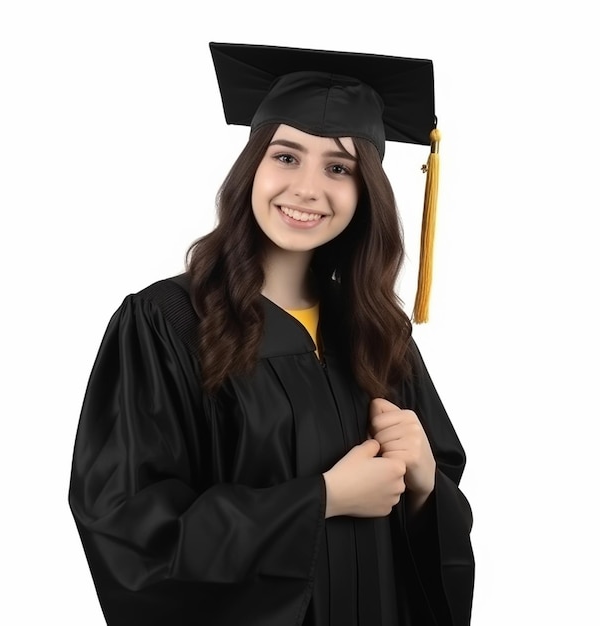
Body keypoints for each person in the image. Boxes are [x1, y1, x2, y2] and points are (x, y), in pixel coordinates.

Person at [68, 42, 474, 626]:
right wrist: (322, 500)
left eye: (338, 167)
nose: (308, 188)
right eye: (287, 157)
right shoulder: (167, 323)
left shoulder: (381, 334)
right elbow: (128, 526)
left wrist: (423, 482)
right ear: (252, 167)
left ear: (366, 195)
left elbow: (437, 521)